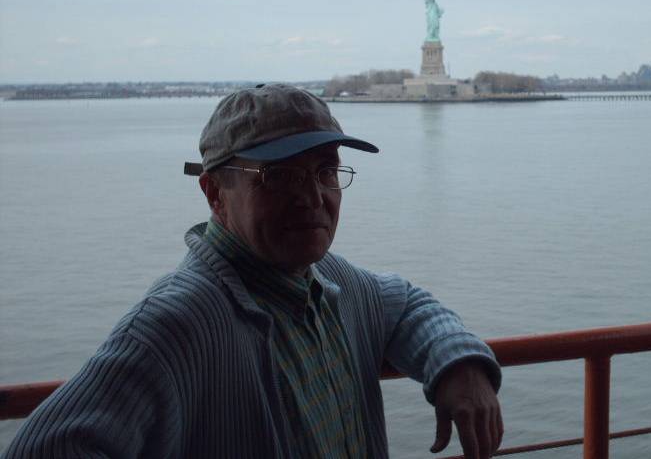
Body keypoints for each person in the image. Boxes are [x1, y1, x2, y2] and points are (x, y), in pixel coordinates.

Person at [4, 84, 503, 459]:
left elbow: (407, 304)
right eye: (279, 176)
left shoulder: (329, 282)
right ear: (214, 193)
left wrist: (458, 364)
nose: (312, 197)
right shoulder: (177, 325)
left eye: (326, 171)